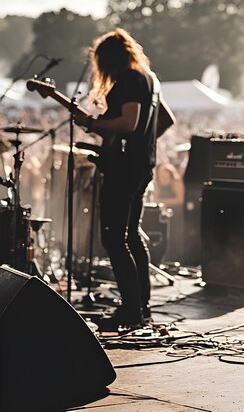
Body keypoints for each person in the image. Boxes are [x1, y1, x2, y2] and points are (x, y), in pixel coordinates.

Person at [74, 28, 175, 329]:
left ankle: (132, 309)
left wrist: (92, 123)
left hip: (123, 171)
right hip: (140, 166)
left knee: (114, 238)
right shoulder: (150, 79)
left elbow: (130, 123)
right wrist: (141, 146)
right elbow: (166, 120)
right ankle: (140, 308)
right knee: (131, 234)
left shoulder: (129, 80)